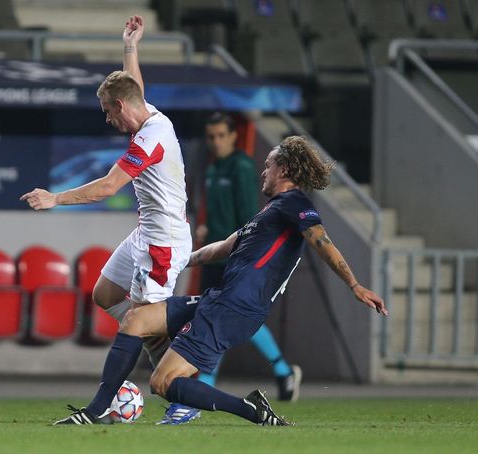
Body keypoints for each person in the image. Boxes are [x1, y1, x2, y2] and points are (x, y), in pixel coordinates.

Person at [54, 136, 387, 425]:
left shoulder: (295, 204)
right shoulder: (269, 214)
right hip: (221, 298)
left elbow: (321, 241)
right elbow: (221, 249)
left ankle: (251, 410)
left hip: (235, 309)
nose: (263, 171)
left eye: (268, 165)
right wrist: (178, 260)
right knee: (136, 319)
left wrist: (354, 284)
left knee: (162, 382)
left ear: (284, 171)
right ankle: (95, 410)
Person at [20, 15, 191, 370]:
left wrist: (56, 198)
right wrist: (130, 47)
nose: (106, 119)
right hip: (146, 233)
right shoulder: (149, 116)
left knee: (144, 321)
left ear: (120, 107)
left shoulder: (149, 139)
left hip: (163, 243)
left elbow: (109, 187)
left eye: (106, 112)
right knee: (106, 294)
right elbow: (134, 90)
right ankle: (161, 347)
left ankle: (183, 384)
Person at [159, 114, 300, 425]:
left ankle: (275, 371)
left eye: (221, 135)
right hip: (214, 255)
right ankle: (279, 371)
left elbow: (252, 217)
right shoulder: (213, 166)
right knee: (215, 322)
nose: (216, 142)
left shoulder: (242, 166)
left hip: (236, 260)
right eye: (211, 136)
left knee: (220, 322)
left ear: (234, 137)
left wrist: (236, 246)